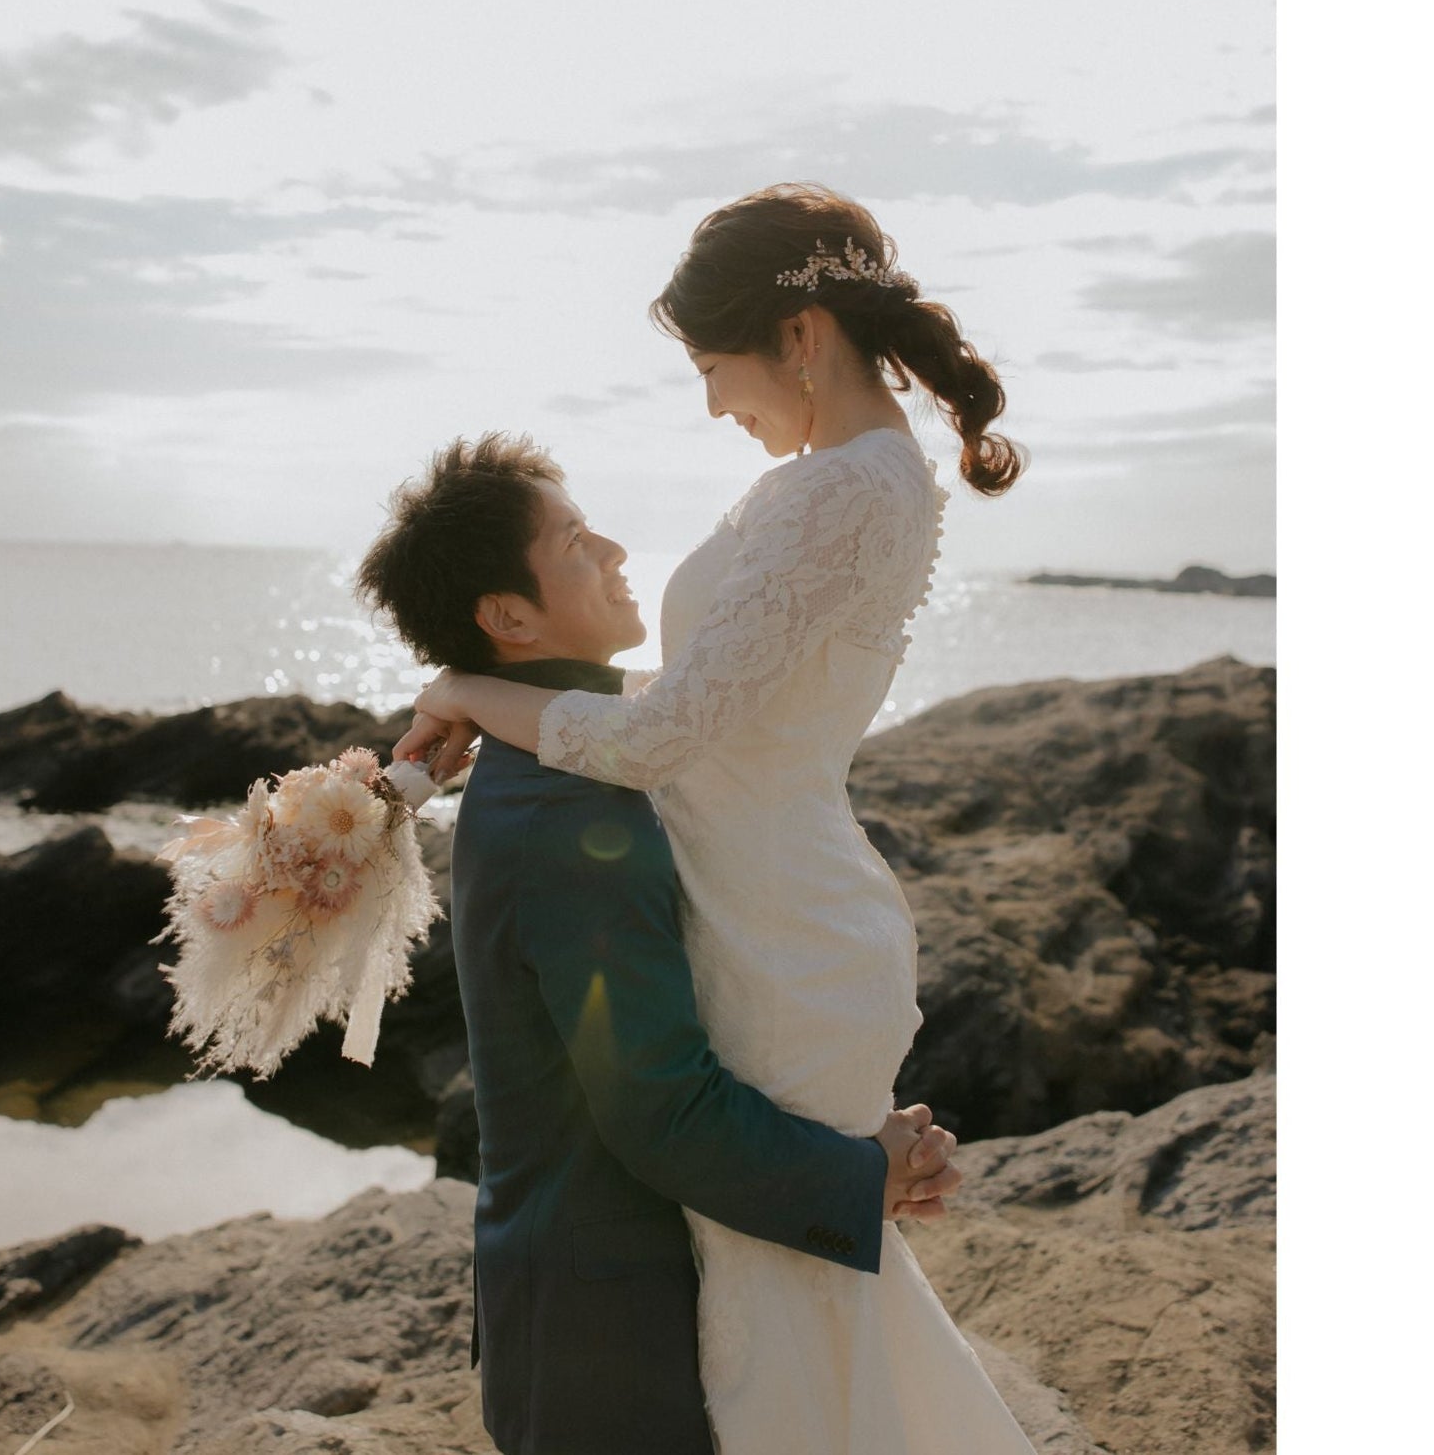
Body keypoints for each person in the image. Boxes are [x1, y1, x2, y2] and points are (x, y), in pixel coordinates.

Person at [395, 182, 1036, 1455]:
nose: (708, 405)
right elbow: (707, 702)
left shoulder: (839, 491)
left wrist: (471, 688)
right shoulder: (846, 481)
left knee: (784, 1322)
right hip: (775, 901)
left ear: (797, 335)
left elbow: (665, 736)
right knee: (797, 1311)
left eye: (707, 367)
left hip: (774, 924)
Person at [356, 431, 962, 1455]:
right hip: (607, 1334)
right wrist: (862, 1178)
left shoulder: (575, 757)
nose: (614, 549)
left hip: (609, 1304)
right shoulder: (561, 813)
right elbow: (655, 1104)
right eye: (573, 542)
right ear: (508, 616)